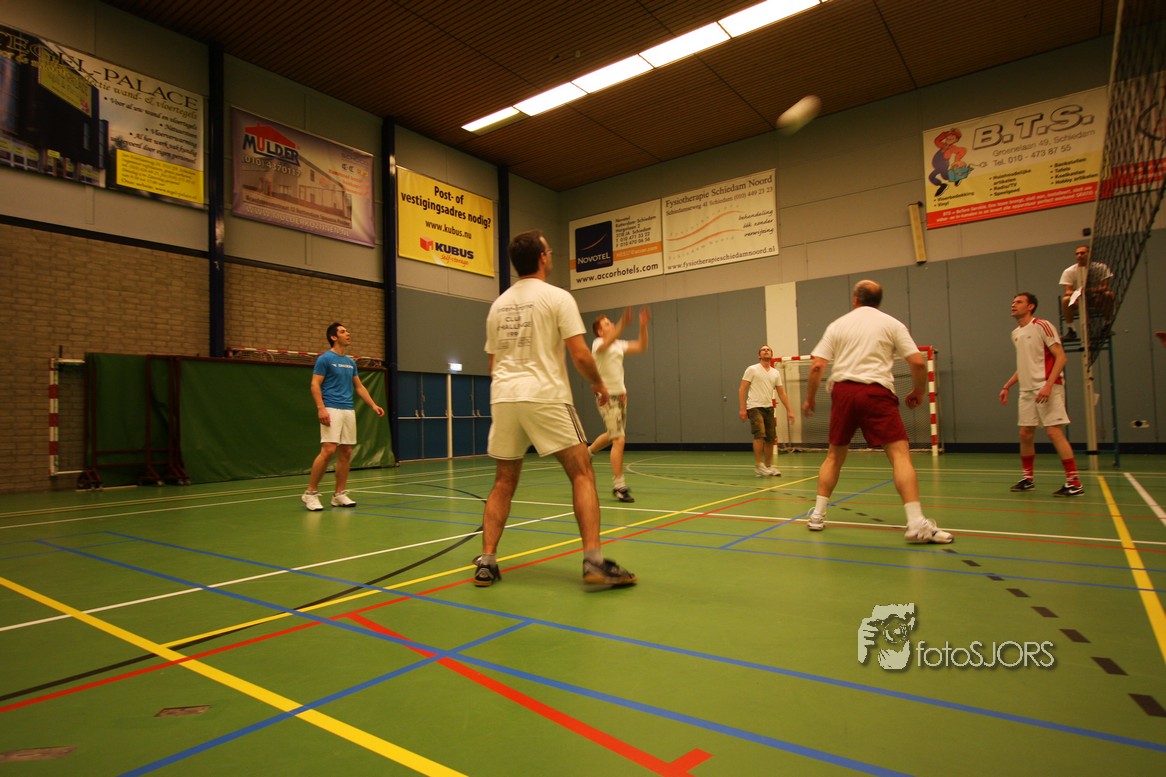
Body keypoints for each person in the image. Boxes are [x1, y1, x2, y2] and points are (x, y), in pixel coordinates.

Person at [475, 229, 636, 588]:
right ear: (543, 258)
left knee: (503, 480)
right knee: (582, 473)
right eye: (549, 250)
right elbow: (580, 355)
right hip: (546, 395)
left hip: (504, 397)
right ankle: (594, 561)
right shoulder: (558, 297)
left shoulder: (498, 305)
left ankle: (487, 561)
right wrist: (599, 384)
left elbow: (492, 364)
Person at [801, 280, 952, 543]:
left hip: (843, 394)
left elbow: (816, 367)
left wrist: (810, 399)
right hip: (876, 393)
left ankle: (817, 515)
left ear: (855, 299)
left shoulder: (837, 325)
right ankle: (916, 523)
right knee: (900, 456)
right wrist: (918, 391)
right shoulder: (892, 324)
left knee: (834, 456)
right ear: (878, 301)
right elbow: (918, 362)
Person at [999, 292, 1083, 496]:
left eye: (1019, 302)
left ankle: (1074, 482)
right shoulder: (1015, 333)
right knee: (1025, 434)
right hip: (1027, 390)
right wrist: (1007, 386)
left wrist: (1048, 385)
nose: (1013, 304)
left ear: (1030, 307)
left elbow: (1061, 357)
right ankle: (1028, 479)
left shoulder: (1042, 326)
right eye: (1013, 302)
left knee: (1054, 432)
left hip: (1048, 386)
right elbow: (1025, 365)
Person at [301, 323, 385, 511]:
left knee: (346, 451)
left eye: (347, 331)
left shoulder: (350, 362)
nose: (348, 333)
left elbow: (359, 386)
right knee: (328, 450)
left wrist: (373, 405)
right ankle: (310, 493)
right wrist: (321, 408)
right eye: (343, 331)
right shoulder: (325, 359)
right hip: (331, 408)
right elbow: (315, 384)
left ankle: (339, 494)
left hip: (348, 409)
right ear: (333, 337)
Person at [588, 306, 650, 503]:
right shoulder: (598, 344)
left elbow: (641, 346)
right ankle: (619, 486)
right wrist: (623, 322)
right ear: (600, 331)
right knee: (619, 439)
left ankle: (587, 453)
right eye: (607, 324)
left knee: (613, 434)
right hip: (606, 397)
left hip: (621, 396)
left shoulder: (618, 344)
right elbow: (608, 341)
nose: (612, 324)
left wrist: (642, 326)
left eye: (612, 322)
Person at [738, 345, 794, 476]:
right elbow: (742, 389)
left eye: (768, 350)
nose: (766, 351)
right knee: (759, 435)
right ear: (759, 355)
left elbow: (781, 392)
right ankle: (759, 466)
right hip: (754, 407)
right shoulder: (752, 369)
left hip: (769, 408)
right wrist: (742, 409)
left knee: (770, 438)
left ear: (771, 355)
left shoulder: (775, 373)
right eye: (763, 350)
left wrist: (790, 410)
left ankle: (768, 466)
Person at [1059, 245, 1114, 341]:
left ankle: (1107, 325)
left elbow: (1105, 287)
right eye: (1077, 254)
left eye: (1082, 253)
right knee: (1065, 300)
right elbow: (1067, 291)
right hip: (1078, 300)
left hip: (1097, 299)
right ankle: (1071, 330)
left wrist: (1089, 291)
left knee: (1109, 295)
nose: (1079, 255)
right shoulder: (1069, 271)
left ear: (1089, 254)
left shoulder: (1101, 268)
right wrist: (1079, 292)